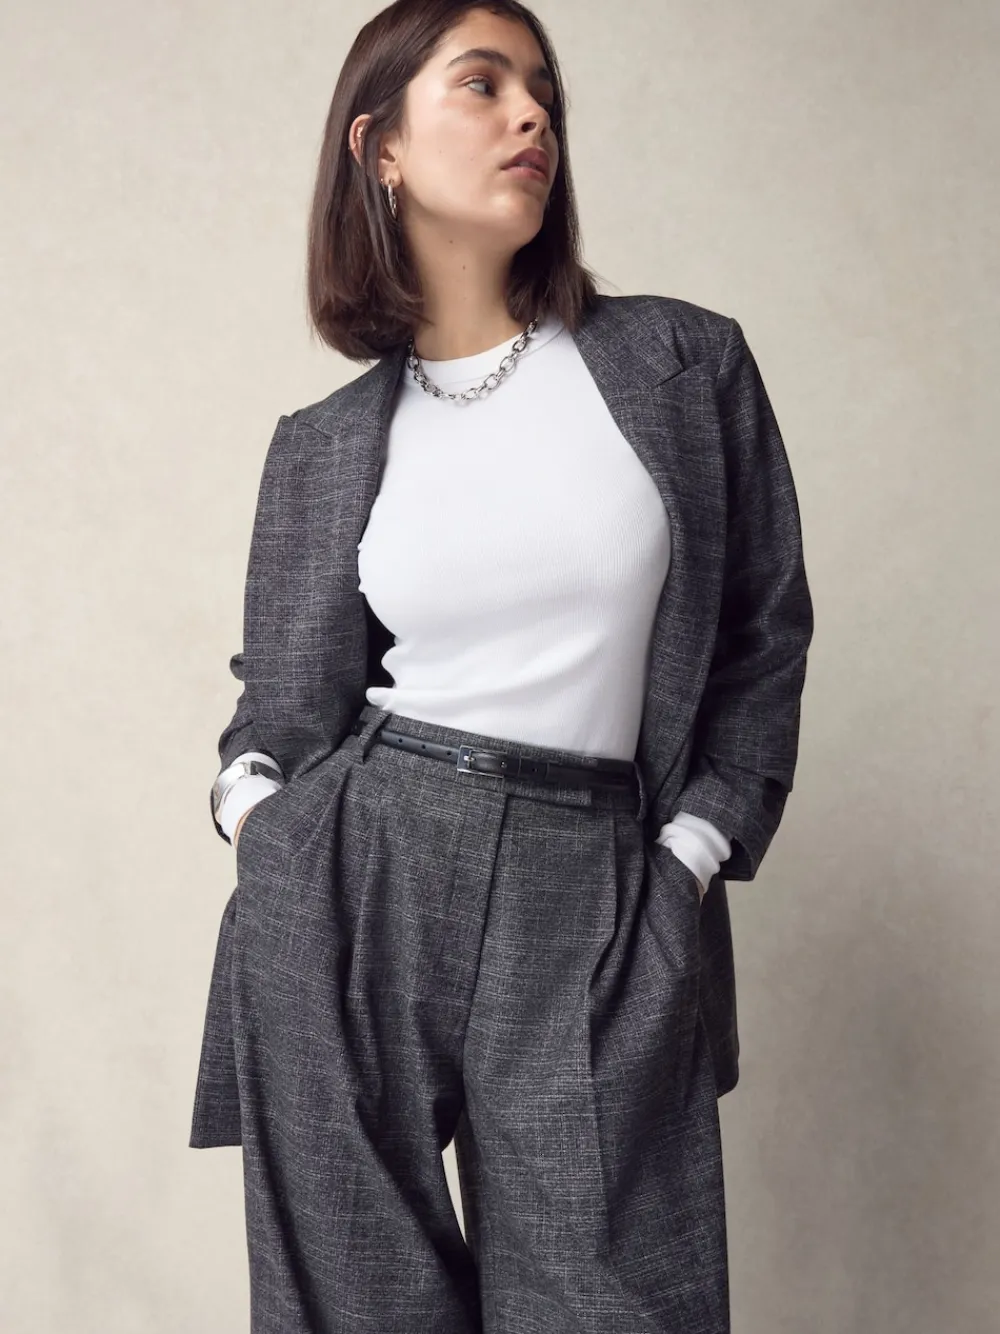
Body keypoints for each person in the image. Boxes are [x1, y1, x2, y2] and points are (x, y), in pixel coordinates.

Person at [189, 2, 814, 1331]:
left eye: (542, 90)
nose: (532, 112)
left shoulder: (681, 363)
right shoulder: (325, 443)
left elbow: (764, 632)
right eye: (482, 84)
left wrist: (692, 850)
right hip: (361, 867)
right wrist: (263, 825)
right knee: (355, 1299)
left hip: (600, 870)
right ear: (382, 148)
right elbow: (283, 705)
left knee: (611, 1298)